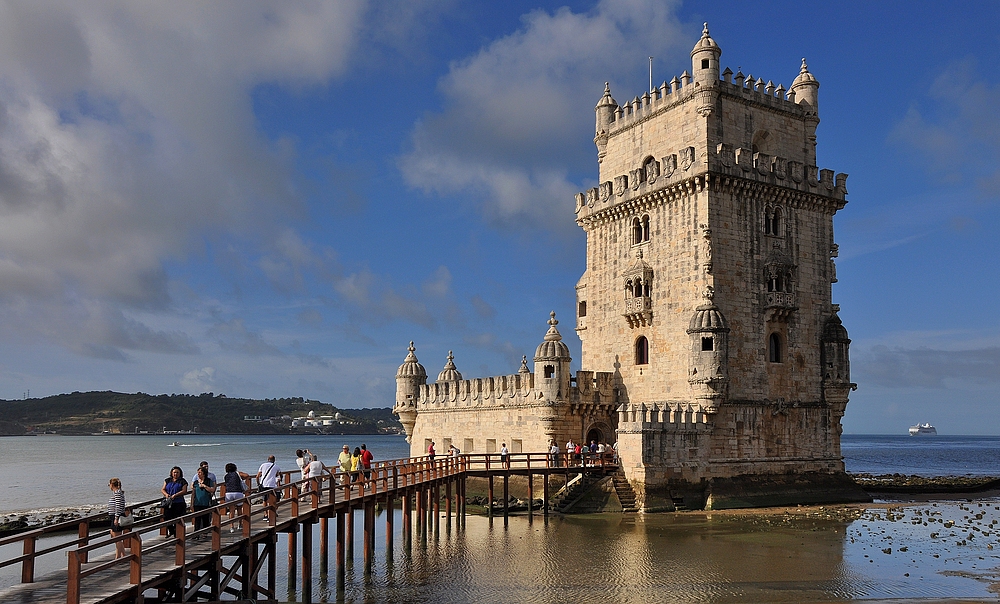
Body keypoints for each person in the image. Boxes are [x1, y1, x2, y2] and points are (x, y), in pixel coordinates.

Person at [219, 462, 250, 531]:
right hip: (238, 493)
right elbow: (247, 475)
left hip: (229, 493)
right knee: (239, 509)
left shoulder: (226, 476)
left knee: (231, 511)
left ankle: (231, 526)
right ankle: (240, 524)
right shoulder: (237, 473)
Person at [161, 466, 188, 537]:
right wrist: (166, 494)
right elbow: (163, 489)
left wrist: (176, 495)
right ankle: (171, 530)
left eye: (177, 472)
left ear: (180, 473)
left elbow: (184, 491)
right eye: (174, 472)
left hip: (179, 502)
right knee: (166, 517)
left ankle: (177, 535)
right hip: (169, 502)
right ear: (171, 473)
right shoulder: (167, 480)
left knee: (177, 518)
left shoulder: (183, 481)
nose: (175, 474)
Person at [191, 466, 216, 533]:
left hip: (206, 503)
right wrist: (191, 503)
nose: (198, 474)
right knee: (197, 519)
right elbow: (193, 493)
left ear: (204, 473)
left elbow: (212, 490)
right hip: (197, 503)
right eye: (198, 473)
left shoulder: (209, 481)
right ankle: (196, 533)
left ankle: (205, 532)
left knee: (205, 518)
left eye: (200, 472)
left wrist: (205, 486)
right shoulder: (196, 482)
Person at [108, 478, 127, 558]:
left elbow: (118, 506)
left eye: (109, 484)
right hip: (114, 516)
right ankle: (123, 555)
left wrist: (116, 518)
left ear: (112, 485)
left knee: (117, 538)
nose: (109, 486)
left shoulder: (118, 493)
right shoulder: (117, 493)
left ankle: (118, 557)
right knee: (113, 535)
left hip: (117, 517)